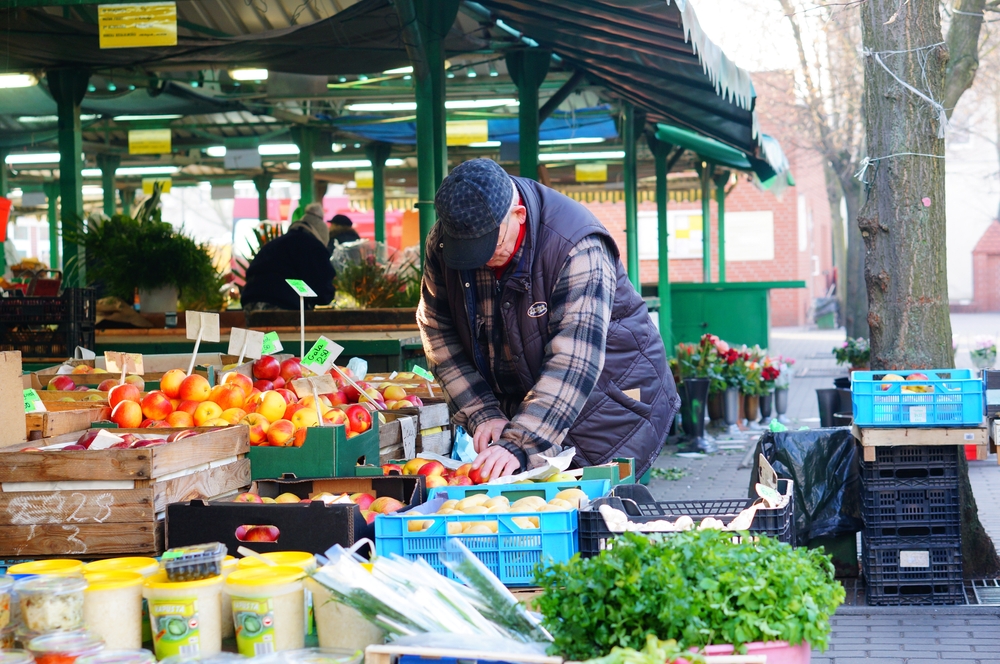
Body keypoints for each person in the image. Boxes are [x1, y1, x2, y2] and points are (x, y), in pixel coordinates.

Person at [417, 158, 679, 479]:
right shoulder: (445, 241)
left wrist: (520, 442)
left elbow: (573, 363)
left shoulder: (578, 247)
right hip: (529, 410)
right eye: (469, 251)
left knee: (597, 519)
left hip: (607, 409)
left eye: (490, 245)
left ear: (519, 215)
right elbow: (437, 332)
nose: (482, 260)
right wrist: (482, 412)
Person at [241, 202, 336, 311]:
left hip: (250, 302)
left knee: (262, 329)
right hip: (283, 305)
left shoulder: (277, 244)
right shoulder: (313, 247)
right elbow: (321, 287)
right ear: (322, 237)